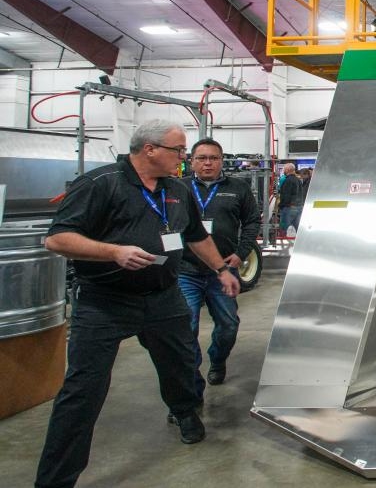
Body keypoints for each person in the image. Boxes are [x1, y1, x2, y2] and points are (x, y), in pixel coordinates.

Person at [35, 120, 239, 488]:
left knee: (180, 365)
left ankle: (184, 413)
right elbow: (57, 239)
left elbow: (194, 236)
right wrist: (113, 251)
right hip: (104, 303)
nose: (184, 157)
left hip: (163, 298)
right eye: (179, 151)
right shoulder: (101, 184)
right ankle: (55, 480)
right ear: (149, 149)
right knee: (83, 391)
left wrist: (222, 268)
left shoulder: (177, 188)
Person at [179, 138, 260, 396]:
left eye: (213, 158)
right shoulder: (177, 189)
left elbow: (251, 221)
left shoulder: (237, 188)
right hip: (185, 270)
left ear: (221, 161)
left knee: (228, 325)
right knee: (185, 327)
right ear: (191, 161)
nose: (208, 163)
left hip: (223, 270)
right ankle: (191, 384)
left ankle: (218, 359)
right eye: (201, 158)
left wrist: (241, 253)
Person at [278, 162, 302, 235]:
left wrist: (280, 206)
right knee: (299, 229)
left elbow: (286, 196)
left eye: (284, 169)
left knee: (283, 229)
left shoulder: (287, 181)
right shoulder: (298, 180)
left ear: (287, 170)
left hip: (289, 207)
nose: (283, 171)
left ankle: (282, 244)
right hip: (299, 207)